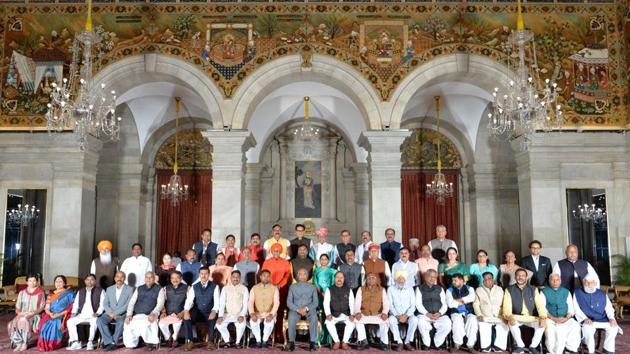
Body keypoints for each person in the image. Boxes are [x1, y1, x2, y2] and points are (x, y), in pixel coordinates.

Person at [502, 268, 547, 354]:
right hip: (517, 316)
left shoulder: (533, 289)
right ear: (515, 277)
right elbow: (506, 306)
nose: (521, 277)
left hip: (531, 317)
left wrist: (543, 317)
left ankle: (533, 346)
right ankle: (520, 346)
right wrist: (509, 316)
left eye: (523, 276)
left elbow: (540, 305)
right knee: (511, 322)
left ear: (526, 277)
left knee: (543, 324)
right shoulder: (509, 289)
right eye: (518, 275)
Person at [574, 274, 621, 354]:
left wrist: (612, 318)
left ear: (595, 283)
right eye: (587, 282)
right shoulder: (577, 293)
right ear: (583, 283)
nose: (589, 285)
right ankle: (591, 351)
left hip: (602, 319)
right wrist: (585, 318)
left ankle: (608, 350)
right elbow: (576, 309)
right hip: (587, 320)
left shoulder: (602, 293)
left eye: (591, 282)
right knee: (588, 329)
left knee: (613, 327)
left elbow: (609, 308)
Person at [122, 272, 164, 351]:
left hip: (150, 314)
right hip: (137, 314)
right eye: (146, 277)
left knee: (146, 323)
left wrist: (154, 313)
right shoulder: (139, 288)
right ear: (144, 279)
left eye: (150, 277)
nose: (148, 279)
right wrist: (129, 315)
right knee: (127, 323)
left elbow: (160, 304)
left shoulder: (159, 289)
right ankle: (132, 343)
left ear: (154, 279)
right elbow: (131, 302)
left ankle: (150, 342)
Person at [182, 266, 220, 351]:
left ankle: (210, 341)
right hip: (198, 312)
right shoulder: (194, 286)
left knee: (213, 318)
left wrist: (214, 311)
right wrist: (186, 310)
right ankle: (190, 341)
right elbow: (189, 300)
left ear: (209, 274)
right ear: (199, 275)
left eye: (205, 274)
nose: (203, 276)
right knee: (186, 318)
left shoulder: (215, 286)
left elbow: (217, 301)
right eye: (202, 274)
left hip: (209, 312)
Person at [542, 273, 580, 354]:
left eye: (557, 280)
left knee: (575, 326)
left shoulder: (566, 291)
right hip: (550, 318)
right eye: (553, 280)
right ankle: (552, 351)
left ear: (560, 281)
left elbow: (571, 308)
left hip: (565, 318)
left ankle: (570, 349)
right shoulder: (544, 292)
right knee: (551, 331)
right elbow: (542, 309)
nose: (555, 282)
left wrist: (566, 318)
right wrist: (554, 319)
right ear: (549, 281)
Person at [261, 243, 292, 341]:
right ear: (271, 251)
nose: (276, 253)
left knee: (281, 311)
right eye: (274, 251)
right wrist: (270, 285)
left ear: (281, 252)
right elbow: (263, 275)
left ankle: (280, 334)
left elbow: (287, 275)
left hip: (281, 290)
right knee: (269, 310)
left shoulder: (286, 262)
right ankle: (269, 334)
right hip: (268, 289)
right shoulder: (266, 262)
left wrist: (280, 285)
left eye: (278, 251)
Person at [284, 268, 319, 352]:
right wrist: (297, 309)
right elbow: (289, 302)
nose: (303, 276)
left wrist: (306, 308)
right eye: (300, 274)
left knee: (314, 317)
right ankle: (292, 342)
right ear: (297, 276)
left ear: (308, 276)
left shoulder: (312, 287)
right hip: (296, 309)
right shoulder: (292, 287)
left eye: (305, 274)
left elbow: (315, 303)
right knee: (291, 317)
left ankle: (312, 342)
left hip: (309, 309)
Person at [97, 271, 134, 351]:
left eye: (122, 277)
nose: (119, 278)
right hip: (109, 313)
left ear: (124, 278)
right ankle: (110, 342)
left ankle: (113, 342)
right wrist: (110, 313)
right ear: (114, 278)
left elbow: (127, 305)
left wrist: (115, 314)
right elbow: (105, 303)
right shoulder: (109, 289)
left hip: (122, 314)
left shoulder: (130, 289)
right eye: (117, 276)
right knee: (100, 320)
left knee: (121, 322)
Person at [66, 274, 104, 351]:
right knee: (70, 321)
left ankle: (90, 342)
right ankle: (76, 342)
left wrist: (98, 313)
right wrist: (74, 313)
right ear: (85, 281)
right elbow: (76, 304)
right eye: (88, 279)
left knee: (94, 322)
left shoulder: (100, 290)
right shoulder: (81, 291)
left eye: (92, 279)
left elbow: (103, 304)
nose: (90, 281)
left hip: (93, 315)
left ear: (95, 281)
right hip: (82, 315)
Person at [8, 274, 45, 352]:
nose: (32, 282)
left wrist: (32, 313)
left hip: (34, 315)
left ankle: (24, 342)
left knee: (23, 320)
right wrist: (19, 312)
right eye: (30, 281)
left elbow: (42, 307)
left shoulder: (40, 293)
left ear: (37, 282)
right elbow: (18, 306)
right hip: (22, 313)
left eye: (34, 280)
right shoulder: (22, 293)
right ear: (27, 282)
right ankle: (18, 343)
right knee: (10, 324)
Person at [37, 275, 74, 351]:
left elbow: (72, 306)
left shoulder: (69, 293)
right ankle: (44, 344)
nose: (58, 283)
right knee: (45, 323)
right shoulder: (51, 295)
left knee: (54, 323)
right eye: (56, 281)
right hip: (51, 314)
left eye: (60, 281)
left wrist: (59, 314)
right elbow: (47, 308)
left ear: (64, 283)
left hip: (63, 314)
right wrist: (50, 314)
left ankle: (53, 344)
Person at [416, 269, 451, 350]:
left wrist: (440, 313)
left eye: (434, 277)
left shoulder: (440, 289)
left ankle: (437, 342)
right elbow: (418, 304)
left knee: (447, 323)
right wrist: (427, 314)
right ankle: (426, 344)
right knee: (421, 322)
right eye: (430, 276)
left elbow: (444, 304)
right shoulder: (419, 289)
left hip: (438, 315)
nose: (432, 279)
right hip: (425, 315)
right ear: (425, 277)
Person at [473, 272, 508, 352]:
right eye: (485, 279)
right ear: (483, 281)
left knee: (504, 324)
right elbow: (476, 304)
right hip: (485, 316)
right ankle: (486, 346)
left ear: (493, 280)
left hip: (499, 316)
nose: (487, 280)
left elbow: (504, 303)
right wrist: (479, 314)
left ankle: (498, 346)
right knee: (483, 325)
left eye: (489, 278)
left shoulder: (499, 289)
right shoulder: (479, 290)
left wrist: (505, 315)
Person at [354, 272, 390, 350]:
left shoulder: (382, 289)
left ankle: (384, 342)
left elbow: (386, 303)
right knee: (356, 320)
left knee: (386, 321)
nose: (371, 279)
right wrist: (357, 312)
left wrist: (384, 313)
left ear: (376, 280)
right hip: (364, 313)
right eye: (369, 278)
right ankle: (363, 341)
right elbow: (357, 302)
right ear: (366, 280)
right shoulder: (361, 289)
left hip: (377, 314)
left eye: (373, 278)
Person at [216, 270, 249, 348]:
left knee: (241, 324)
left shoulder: (244, 288)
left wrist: (242, 315)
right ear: (231, 278)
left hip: (239, 314)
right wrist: (220, 316)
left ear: (240, 278)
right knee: (219, 324)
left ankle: (237, 342)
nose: (235, 278)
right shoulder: (225, 288)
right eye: (234, 277)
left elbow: (245, 304)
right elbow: (222, 303)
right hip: (227, 314)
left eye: (237, 277)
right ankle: (228, 341)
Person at [446, 273, 478, 352]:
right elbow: (450, 304)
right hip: (456, 312)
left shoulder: (470, 288)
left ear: (461, 281)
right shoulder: (449, 290)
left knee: (473, 320)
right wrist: (464, 300)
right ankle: (457, 345)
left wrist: (458, 300)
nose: (453, 282)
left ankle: (470, 346)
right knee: (457, 321)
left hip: (468, 311)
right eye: (452, 280)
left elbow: (472, 298)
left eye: (455, 280)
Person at [323, 272, 355, 350]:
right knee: (328, 322)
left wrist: (352, 314)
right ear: (334, 279)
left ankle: (344, 342)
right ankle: (336, 341)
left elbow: (352, 303)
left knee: (352, 322)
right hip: (334, 314)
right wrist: (328, 314)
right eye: (337, 277)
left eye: (341, 277)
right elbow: (326, 303)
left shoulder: (349, 290)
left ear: (344, 279)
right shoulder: (329, 289)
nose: (339, 279)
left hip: (346, 314)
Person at [248, 269, 280, 348]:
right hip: (257, 313)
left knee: (269, 322)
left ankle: (265, 341)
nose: (266, 278)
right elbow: (250, 302)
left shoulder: (274, 288)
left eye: (268, 276)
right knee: (253, 322)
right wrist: (252, 313)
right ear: (260, 277)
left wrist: (272, 314)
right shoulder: (254, 288)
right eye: (264, 276)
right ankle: (258, 340)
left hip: (269, 313)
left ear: (270, 278)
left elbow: (276, 303)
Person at [387, 271, 418, 351]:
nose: (401, 280)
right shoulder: (390, 289)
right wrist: (397, 315)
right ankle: (399, 342)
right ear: (396, 279)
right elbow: (390, 305)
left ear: (405, 279)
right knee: (391, 320)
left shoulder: (410, 289)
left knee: (414, 320)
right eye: (399, 278)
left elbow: (413, 305)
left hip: (408, 315)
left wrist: (406, 315)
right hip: (395, 315)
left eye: (403, 278)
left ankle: (407, 342)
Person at [158, 271, 187, 348]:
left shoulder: (187, 288)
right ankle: (168, 338)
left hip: (180, 313)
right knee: (161, 323)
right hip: (168, 313)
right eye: (173, 278)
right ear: (170, 279)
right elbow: (162, 302)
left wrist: (183, 312)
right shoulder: (165, 288)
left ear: (181, 279)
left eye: (177, 278)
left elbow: (190, 303)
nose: (175, 280)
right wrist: (163, 312)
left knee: (177, 323)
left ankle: (175, 339)